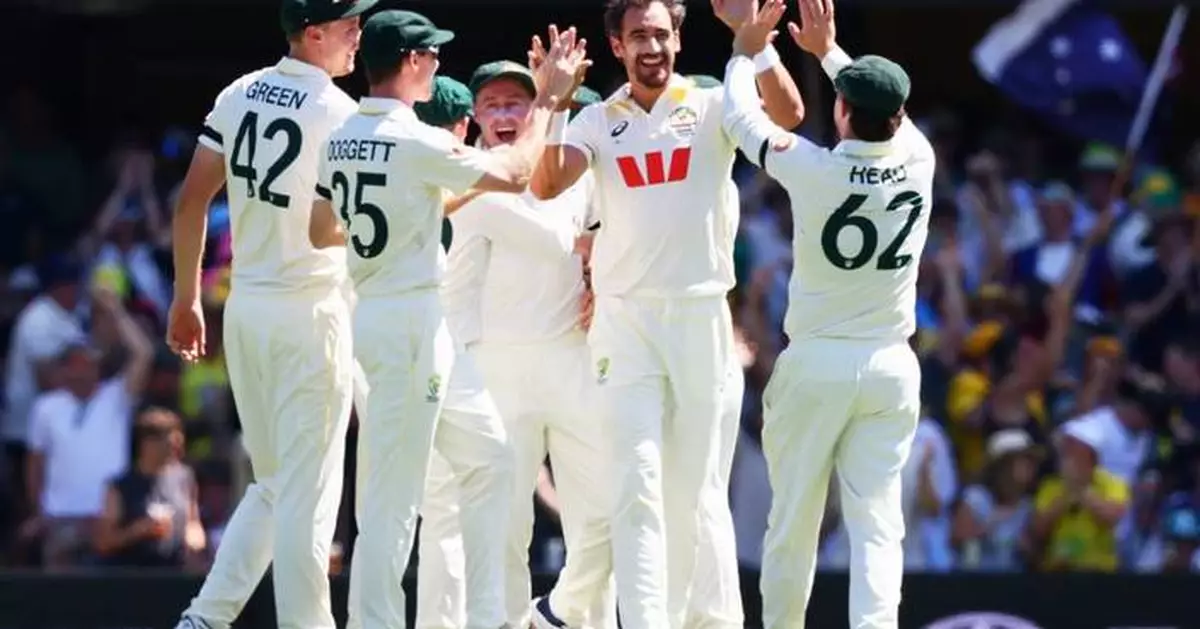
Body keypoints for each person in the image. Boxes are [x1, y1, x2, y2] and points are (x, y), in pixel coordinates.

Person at [307, 10, 588, 628]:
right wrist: (546, 98)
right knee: (396, 499)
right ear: (410, 62)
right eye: (430, 54)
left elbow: (322, 227)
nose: (436, 62)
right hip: (407, 325)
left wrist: (411, 204)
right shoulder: (417, 138)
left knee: (490, 460)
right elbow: (516, 174)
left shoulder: (344, 136)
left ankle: (489, 620)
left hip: (405, 320)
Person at [527, 0, 804, 625]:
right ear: (616, 45)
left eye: (661, 34)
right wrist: (550, 104)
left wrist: (754, 44)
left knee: (699, 491)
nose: (650, 46)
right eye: (637, 36)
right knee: (636, 485)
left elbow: (789, 116)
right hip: (625, 324)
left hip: (701, 317)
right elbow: (547, 184)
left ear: (679, 39)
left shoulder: (713, 106)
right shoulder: (597, 120)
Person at [720, 0, 935, 627]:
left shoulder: (813, 168)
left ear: (841, 112)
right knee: (877, 522)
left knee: (794, 519)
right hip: (892, 363)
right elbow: (888, 112)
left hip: (816, 363)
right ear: (896, 116)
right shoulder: (918, 162)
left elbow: (739, 118)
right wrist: (829, 53)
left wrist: (745, 45)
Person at [165, 0, 375, 626]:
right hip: (311, 314)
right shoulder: (342, 113)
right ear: (314, 33)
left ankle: (203, 619)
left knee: (274, 485)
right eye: (348, 25)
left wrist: (184, 299)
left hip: (246, 310)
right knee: (307, 500)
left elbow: (191, 203)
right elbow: (336, 226)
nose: (358, 36)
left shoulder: (238, 93)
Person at [418, 59, 616, 629]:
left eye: (517, 103)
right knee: (504, 528)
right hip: (496, 370)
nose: (505, 115)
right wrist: (588, 249)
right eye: (493, 105)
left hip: (575, 361)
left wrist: (600, 266)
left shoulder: (573, 169)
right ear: (475, 117)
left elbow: (607, 234)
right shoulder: (471, 176)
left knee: (600, 514)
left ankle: (573, 617)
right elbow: (557, 239)